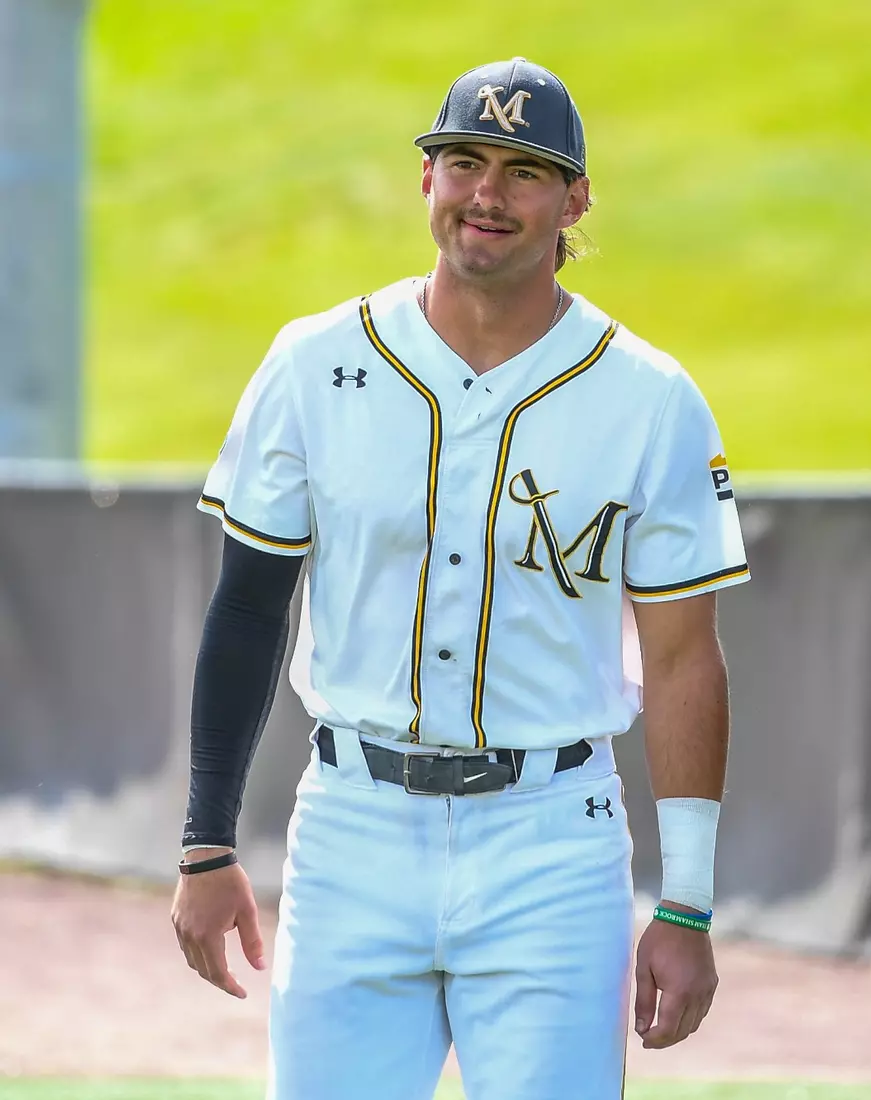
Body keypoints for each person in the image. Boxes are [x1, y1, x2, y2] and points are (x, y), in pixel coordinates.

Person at [168, 57, 750, 1100]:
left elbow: (681, 657)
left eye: (525, 171)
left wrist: (688, 903)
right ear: (424, 181)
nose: (487, 193)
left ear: (574, 201)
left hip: (552, 839)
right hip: (352, 823)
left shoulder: (650, 396)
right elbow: (249, 606)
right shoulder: (313, 362)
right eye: (462, 160)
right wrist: (205, 841)